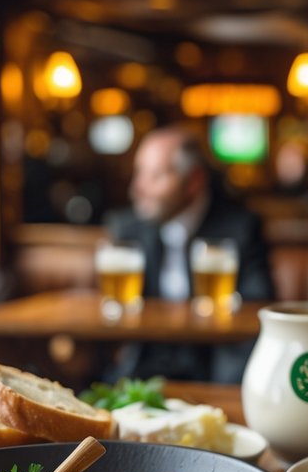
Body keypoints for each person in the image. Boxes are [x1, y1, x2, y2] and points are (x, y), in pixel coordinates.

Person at [102, 125, 274, 383]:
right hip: (144, 368)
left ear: (193, 181)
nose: (138, 187)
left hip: (215, 368)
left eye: (156, 176)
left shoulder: (240, 227)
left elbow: (258, 302)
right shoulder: (127, 229)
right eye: (139, 173)